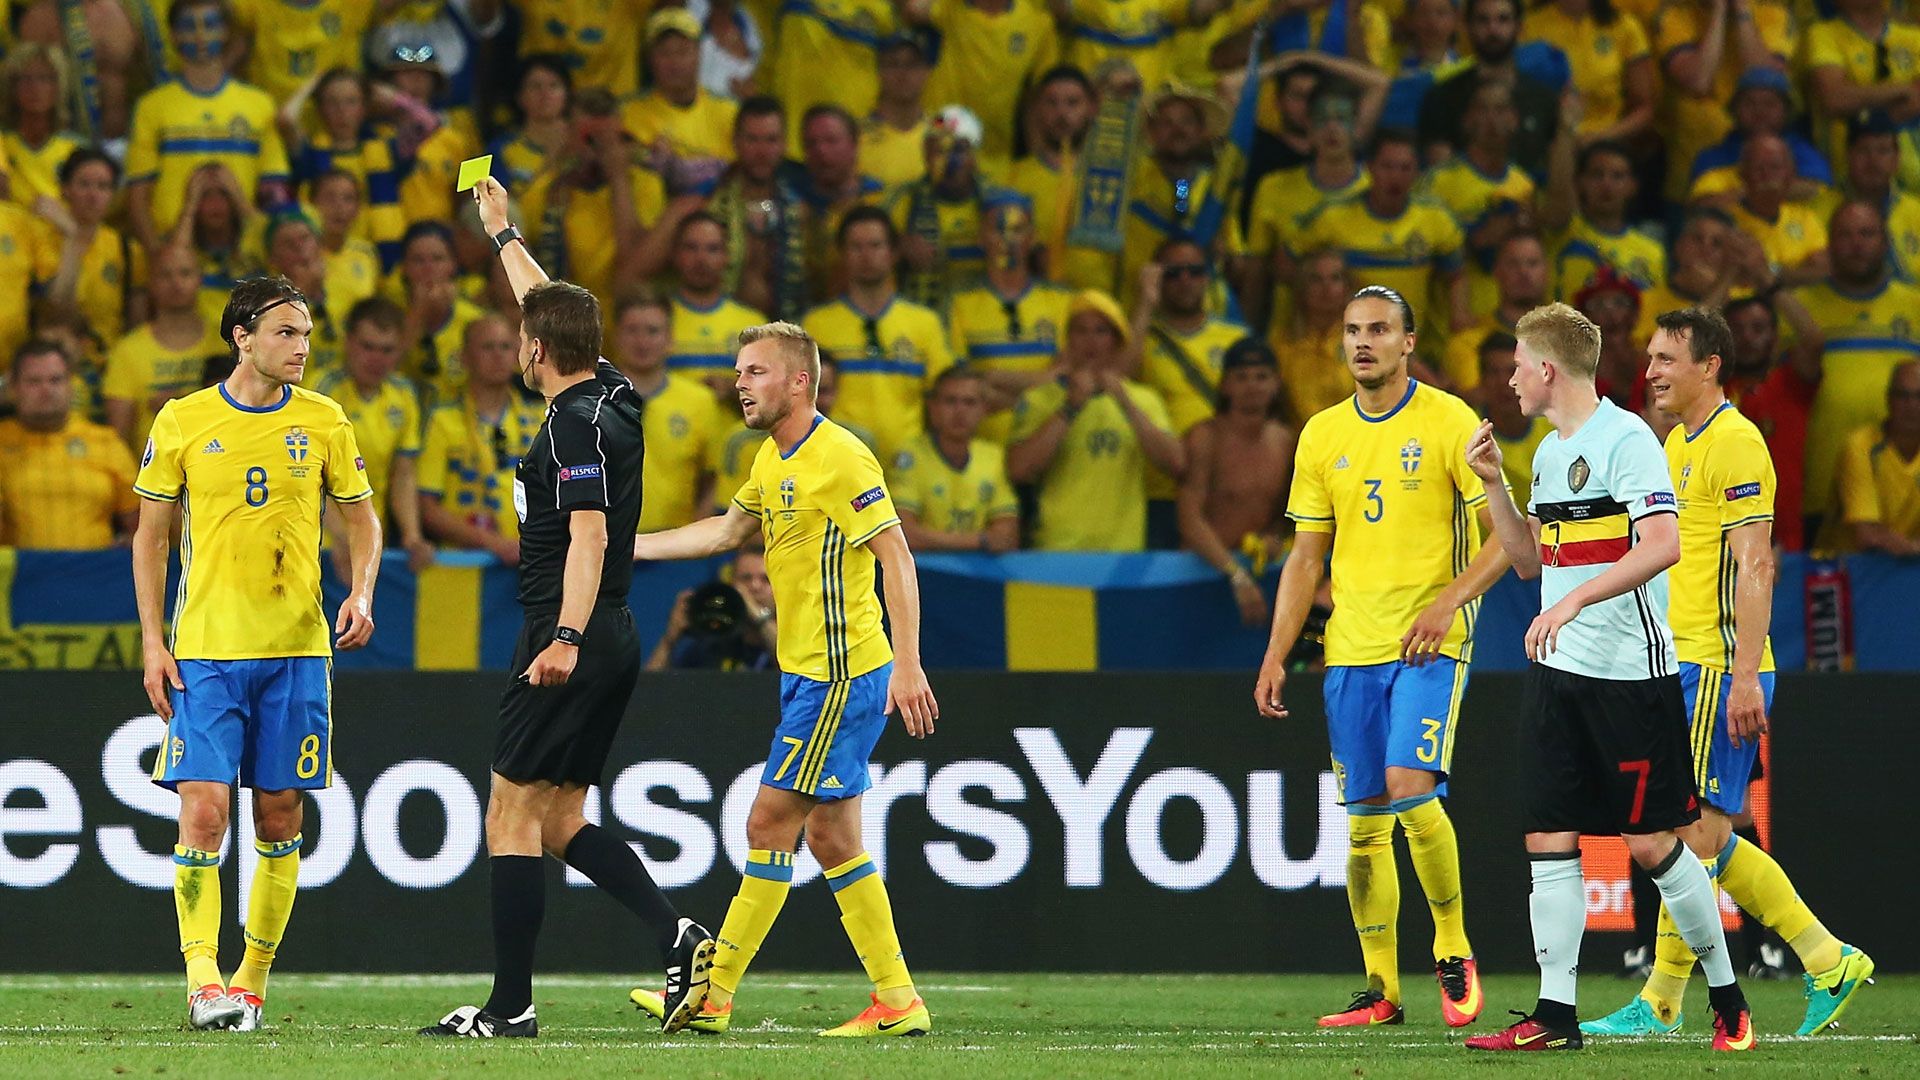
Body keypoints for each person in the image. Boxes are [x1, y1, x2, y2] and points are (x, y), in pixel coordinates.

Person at [424, 175, 716, 1040]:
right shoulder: (616, 396)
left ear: (536, 350)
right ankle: (677, 930)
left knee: (509, 816)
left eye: (524, 336)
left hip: (572, 627)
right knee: (558, 819)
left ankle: (510, 1009)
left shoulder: (566, 429)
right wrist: (503, 232)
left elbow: (587, 537)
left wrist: (560, 636)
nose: (518, 343)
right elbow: (549, 307)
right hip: (612, 631)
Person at [628, 320, 939, 1038]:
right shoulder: (772, 458)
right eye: (739, 372)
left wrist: (911, 663)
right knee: (832, 839)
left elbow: (897, 558)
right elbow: (728, 532)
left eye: (756, 372)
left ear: (801, 381)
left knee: (769, 821)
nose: (740, 383)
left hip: (840, 675)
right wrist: (628, 548)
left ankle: (714, 995)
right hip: (808, 677)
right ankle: (897, 1000)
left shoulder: (842, 458)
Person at [1460, 301, 1751, 1053]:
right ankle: (1554, 1016)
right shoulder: (1552, 454)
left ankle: (1728, 997)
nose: (1512, 378)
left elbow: (1662, 546)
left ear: (1548, 369)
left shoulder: (1628, 440)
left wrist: (1579, 600)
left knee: (1651, 842)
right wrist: (1494, 484)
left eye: (1519, 364)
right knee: (1548, 836)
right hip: (1559, 673)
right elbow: (1530, 563)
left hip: (1629, 676)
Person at [1579, 306, 1874, 1039]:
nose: (1650, 373)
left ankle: (1664, 1000)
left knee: (1695, 842)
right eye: (1648, 360)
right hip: (1682, 667)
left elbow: (1756, 562)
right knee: (1699, 839)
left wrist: (1745, 674)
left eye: (1666, 360)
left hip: (1718, 670)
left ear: (1710, 365)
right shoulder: (1678, 441)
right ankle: (1826, 958)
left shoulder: (1738, 443)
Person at [131, 275, 382, 1032]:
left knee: (278, 815)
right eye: (284, 332)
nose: (300, 347)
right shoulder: (182, 421)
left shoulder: (326, 421)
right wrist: (152, 641)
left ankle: (251, 982)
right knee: (203, 814)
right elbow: (149, 538)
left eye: (305, 334)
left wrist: (361, 590)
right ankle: (202, 980)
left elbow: (363, 522)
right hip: (205, 652)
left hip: (297, 652)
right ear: (241, 336)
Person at [1253, 285, 1503, 1030]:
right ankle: (1382, 989)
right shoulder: (1322, 434)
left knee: (1409, 785)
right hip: (1350, 650)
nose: (1363, 342)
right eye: (1353, 331)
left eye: (1379, 330)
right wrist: (1276, 654)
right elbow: (1305, 559)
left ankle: (1453, 948)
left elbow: (1504, 539)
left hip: (1429, 642)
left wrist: (1447, 603)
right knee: (1363, 824)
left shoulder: (1450, 420)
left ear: (1408, 343)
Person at [1794, 201, 1920, 535]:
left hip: (1907, 496)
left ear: (1886, 242)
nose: (1857, 244)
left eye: (1867, 233)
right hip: (1822, 485)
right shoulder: (1801, 308)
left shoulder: (1914, 304)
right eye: (1845, 234)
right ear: (1829, 243)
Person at [124, 0, 288, 252]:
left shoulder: (260, 104)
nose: (200, 36)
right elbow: (137, 197)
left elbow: (274, 194)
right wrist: (158, 254)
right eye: (189, 27)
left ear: (225, 32)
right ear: (173, 34)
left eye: (209, 25)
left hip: (245, 254)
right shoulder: (151, 106)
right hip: (177, 253)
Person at [801, 207, 953, 460]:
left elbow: (944, 395)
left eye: (875, 245)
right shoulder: (817, 325)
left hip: (908, 464)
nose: (866, 256)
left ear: (893, 253)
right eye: (856, 247)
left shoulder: (924, 323)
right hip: (839, 462)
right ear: (842, 255)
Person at [1294, 131, 1471, 344]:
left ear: (1417, 171)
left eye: (1405, 168)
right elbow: (1287, 266)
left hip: (1415, 345)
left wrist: (1459, 316)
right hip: (1342, 343)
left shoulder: (1436, 218)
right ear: (1369, 167)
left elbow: (1456, 275)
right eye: (1387, 166)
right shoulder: (1331, 216)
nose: (1396, 176)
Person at [1178, 338, 1296, 628]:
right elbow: (1189, 519)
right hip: (1203, 572)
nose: (1252, 386)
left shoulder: (1286, 442)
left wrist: (1275, 537)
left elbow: (1286, 513)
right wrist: (1234, 573)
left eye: (1261, 377)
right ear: (1225, 385)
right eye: (1241, 377)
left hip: (1260, 578)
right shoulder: (1206, 438)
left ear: (1276, 383)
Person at [314, 298, 434, 570]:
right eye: (367, 347)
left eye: (387, 350)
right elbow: (308, 476)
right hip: (318, 544)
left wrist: (412, 536)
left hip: (365, 543)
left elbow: (403, 474)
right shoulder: (321, 390)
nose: (377, 359)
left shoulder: (403, 394)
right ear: (348, 342)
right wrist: (342, 537)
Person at [945, 190, 1072, 442]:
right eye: (998, 230)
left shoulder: (1062, 302)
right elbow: (965, 386)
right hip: (984, 447)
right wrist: (1039, 389)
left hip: (1050, 446)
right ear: (981, 238)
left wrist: (993, 377)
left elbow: (1067, 379)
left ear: (1032, 237)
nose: (1008, 240)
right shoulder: (959, 304)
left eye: (1017, 230)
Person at [418, 315, 545, 566]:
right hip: (465, 564)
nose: (498, 355)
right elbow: (428, 509)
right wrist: (495, 544)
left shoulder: (541, 419)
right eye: (487, 347)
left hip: (535, 560)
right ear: (465, 358)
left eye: (505, 347)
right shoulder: (443, 421)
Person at [1651, 0, 1793, 206]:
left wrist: (1742, 11)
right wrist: (1719, 12)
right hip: (1692, 165)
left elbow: (1763, 78)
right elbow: (1698, 80)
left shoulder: (1773, 13)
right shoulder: (1672, 15)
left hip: (1762, 158)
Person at [0, 340, 137, 548]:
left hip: (94, 575)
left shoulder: (105, 441)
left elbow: (140, 524)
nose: (46, 390)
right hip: (20, 577)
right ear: (13, 388)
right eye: (34, 382)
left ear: (71, 386)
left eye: (55, 380)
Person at [611, 292, 724, 533]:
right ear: (616, 336)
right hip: (607, 545)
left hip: (674, 549)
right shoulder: (590, 398)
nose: (642, 342)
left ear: (670, 338)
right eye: (632, 330)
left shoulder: (699, 401)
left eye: (652, 331)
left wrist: (696, 535)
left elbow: (712, 476)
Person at [905, 0, 1059, 171]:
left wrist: (1037, 160)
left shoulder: (1037, 21)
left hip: (994, 156)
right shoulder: (951, 8)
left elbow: (1039, 96)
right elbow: (913, 9)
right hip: (939, 141)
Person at [1417, 0, 1560, 178]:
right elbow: (1442, 176)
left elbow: (1557, 173)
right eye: (1483, 20)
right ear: (1467, 27)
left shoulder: (1544, 99)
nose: (1493, 30)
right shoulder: (1442, 96)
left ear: (1520, 27)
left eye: (1503, 20)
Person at [102, 245, 224, 450]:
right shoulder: (127, 351)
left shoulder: (226, 342)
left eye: (185, 273)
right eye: (165, 275)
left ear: (199, 279)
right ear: (151, 282)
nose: (176, 283)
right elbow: (118, 440)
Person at [888, 367, 1019, 552]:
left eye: (969, 402)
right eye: (950, 401)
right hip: (925, 570)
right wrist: (979, 541)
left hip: (976, 573)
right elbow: (903, 533)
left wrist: (934, 539)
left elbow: (1007, 536)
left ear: (984, 409)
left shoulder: (992, 456)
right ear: (932, 407)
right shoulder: (910, 455)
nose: (960, 411)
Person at [623, 8, 739, 196]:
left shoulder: (730, 111)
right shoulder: (628, 113)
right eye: (664, 52)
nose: (674, 62)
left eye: (683, 51)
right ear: (649, 58)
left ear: (699, 54)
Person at [891, 105, 990, 310]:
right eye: (940, 151)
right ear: (926, 157)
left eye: (959, 150)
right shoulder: (904, 201)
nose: (950, 162)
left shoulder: (996, 202)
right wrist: (898, 246)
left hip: (980, 315)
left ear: (974, 156)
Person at [1832, 361, 1920, 556]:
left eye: (1919, 396)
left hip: (1909, 570)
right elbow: (1867, 535)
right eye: (1903, 395)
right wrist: (1913, 547)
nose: (1911, 405)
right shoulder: (1861, 446)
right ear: (1888, 399)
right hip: (1851, 570)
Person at [666, 212, 769, 375]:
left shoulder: (753, 325)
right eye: (691, 248)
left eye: (712, 249)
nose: (701, 259)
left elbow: (769, 389)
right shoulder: (654, 320)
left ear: (726, 256)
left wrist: (732, 389)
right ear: (675, 254)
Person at [1270, 248, 1354, 424]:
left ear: (1347, 287)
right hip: (1302, 443)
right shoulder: (1279, 343)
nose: (1326, 288)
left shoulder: (1370, 338)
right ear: (1301, 288)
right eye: (1316, 280)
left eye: (1335, 278)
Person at [0, 43, 88, 209]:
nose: (35, 88)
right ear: (12, 87)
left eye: (45, 79)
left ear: (59, 87)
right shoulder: (3, 143)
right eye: (26, 79)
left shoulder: (77, 149)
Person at [1477, 333, 1553, 513]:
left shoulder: (1554, 432)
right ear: (1481, 380)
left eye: (1511, 371)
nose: (1504, 382)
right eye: (1493, 372)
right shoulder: (1468, 432)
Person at [647, 578, 777, 671]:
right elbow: (646, 696)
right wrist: (669, 640)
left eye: (766, 579)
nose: (754, 587)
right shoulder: (709, 647)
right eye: (745, 579)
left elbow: (791, 671)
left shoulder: (791, 643)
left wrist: (757, 615)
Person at [860, 31, 933, 194]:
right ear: (879, 73)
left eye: (912, 65)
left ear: (926, 73)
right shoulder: (857, 136)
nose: (903, 73)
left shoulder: (938, 135)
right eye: (893, 64)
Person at [488, 55, 573, 190]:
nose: (545, 94)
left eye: (554, 86)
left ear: (567, 95)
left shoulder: (584, 143)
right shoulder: (501, 148)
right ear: (520, 96)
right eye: (535, 86)